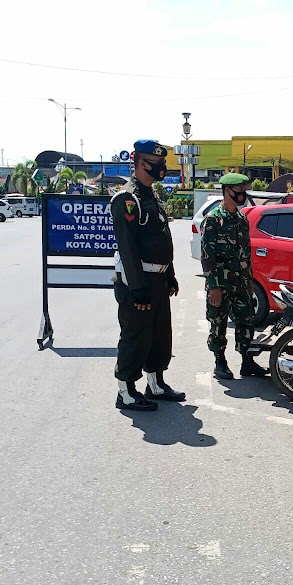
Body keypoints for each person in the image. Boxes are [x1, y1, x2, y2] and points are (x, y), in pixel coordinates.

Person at [111, 139, 186, 412]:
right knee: (136, 335)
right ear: (141, 163)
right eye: (157, 164)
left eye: (163, 163)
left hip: (157, 279)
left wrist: (170, 275)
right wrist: (138, 289)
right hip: (137, 281)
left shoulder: (150, 195)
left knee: (158, 336)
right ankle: (126, 391)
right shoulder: (127, 199)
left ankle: (155, 383)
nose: (162, 168)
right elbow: (128, 248)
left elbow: (161, 240)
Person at [201, 172, 267, 379]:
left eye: (244, 191)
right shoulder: (213, 220)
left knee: (246, 321)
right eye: (239, 191)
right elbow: (207, 256)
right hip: (220, 284)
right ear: (227, 191)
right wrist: (213, 286)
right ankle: (220, 362)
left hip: (241, 282)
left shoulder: (241, 219)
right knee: (218, 323)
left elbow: (246, 253)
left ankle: (247, 361)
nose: (242, 195)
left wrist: (249, 281)